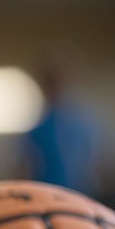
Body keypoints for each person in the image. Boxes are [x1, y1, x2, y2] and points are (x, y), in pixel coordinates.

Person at [20, 55, 103, 195]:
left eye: (59, 78)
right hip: (45, 196)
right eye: (50, 80)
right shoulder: (35, 127)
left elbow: (102, 162)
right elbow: (22, 168)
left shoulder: (84, 123)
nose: (56, 84)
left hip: (81, 197)